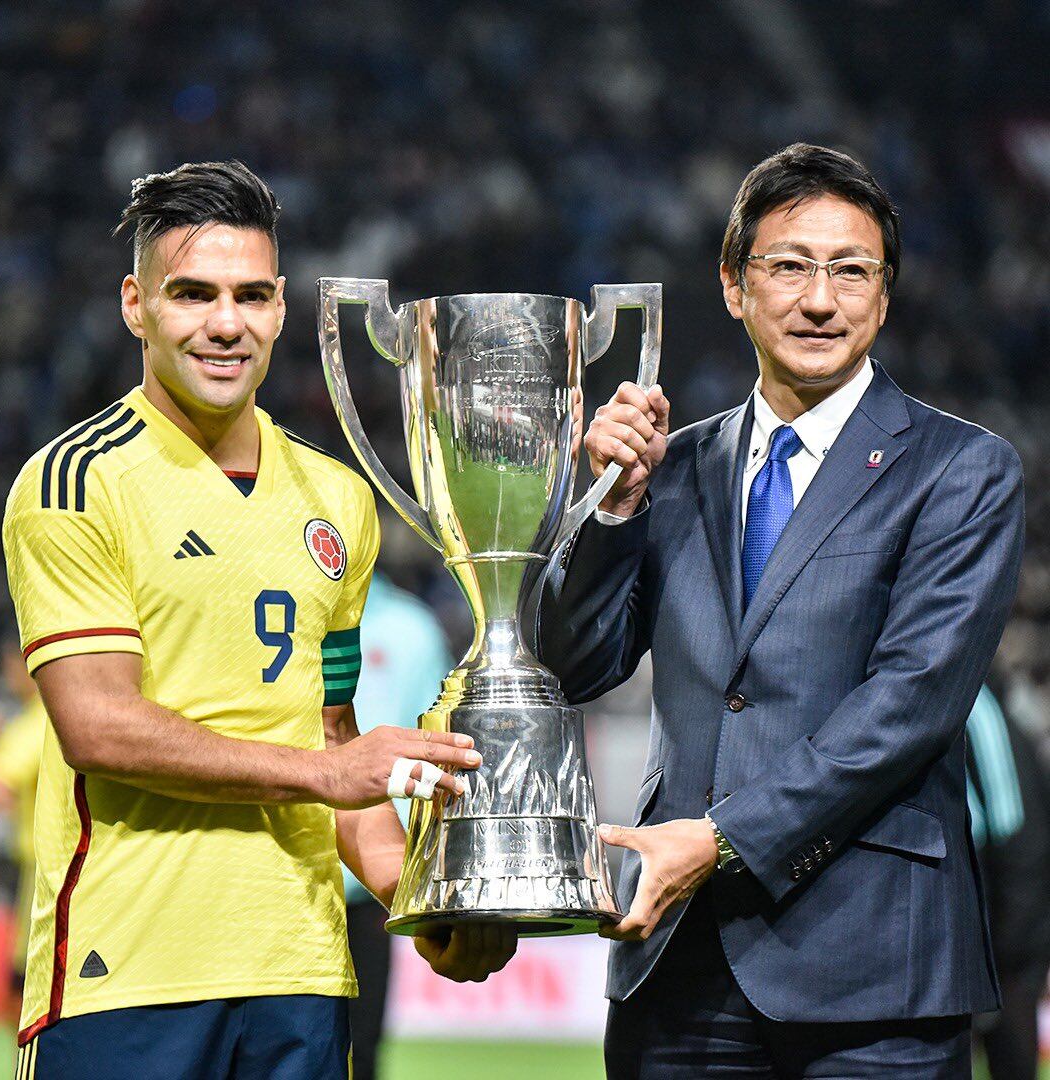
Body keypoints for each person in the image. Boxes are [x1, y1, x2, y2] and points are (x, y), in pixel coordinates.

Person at [3, 160, 515, 1080]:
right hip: (126, 973)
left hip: (304, 973)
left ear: (281, 308)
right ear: (135, 304)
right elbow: (98, 727)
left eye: (250, 295)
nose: (225, 323)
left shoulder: (337, 498)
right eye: (192, 294)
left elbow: (334, 742)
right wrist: (329, 771)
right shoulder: (74, 483)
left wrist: (420, 900)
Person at [536, 143, 1025, 1078]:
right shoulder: (669, 468)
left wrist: (717, 841)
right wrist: (611, 510)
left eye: (852, 271)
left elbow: (910, 706)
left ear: (885, 294)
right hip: (675, 961)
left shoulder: (961, 471)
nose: (819, 298)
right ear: (732, 285)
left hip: (873, 974)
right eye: (790, 265)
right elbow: (570, 664)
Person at [342, 570, 455, 1080]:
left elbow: (441, 746)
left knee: (360, 1051)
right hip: (282, 868)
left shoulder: (412, 628)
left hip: (373, 882)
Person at [966, 682, 1050, 1080]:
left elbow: (1013, 823)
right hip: (988, 921)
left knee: (1012, 1058)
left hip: (1007, 928)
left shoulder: (974, 701)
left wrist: (1005, 944)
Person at [0, 633, 47, 1020]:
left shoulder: (39, 718)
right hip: (41, 868)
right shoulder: (33, 721)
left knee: (23, 992)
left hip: (46, 876)